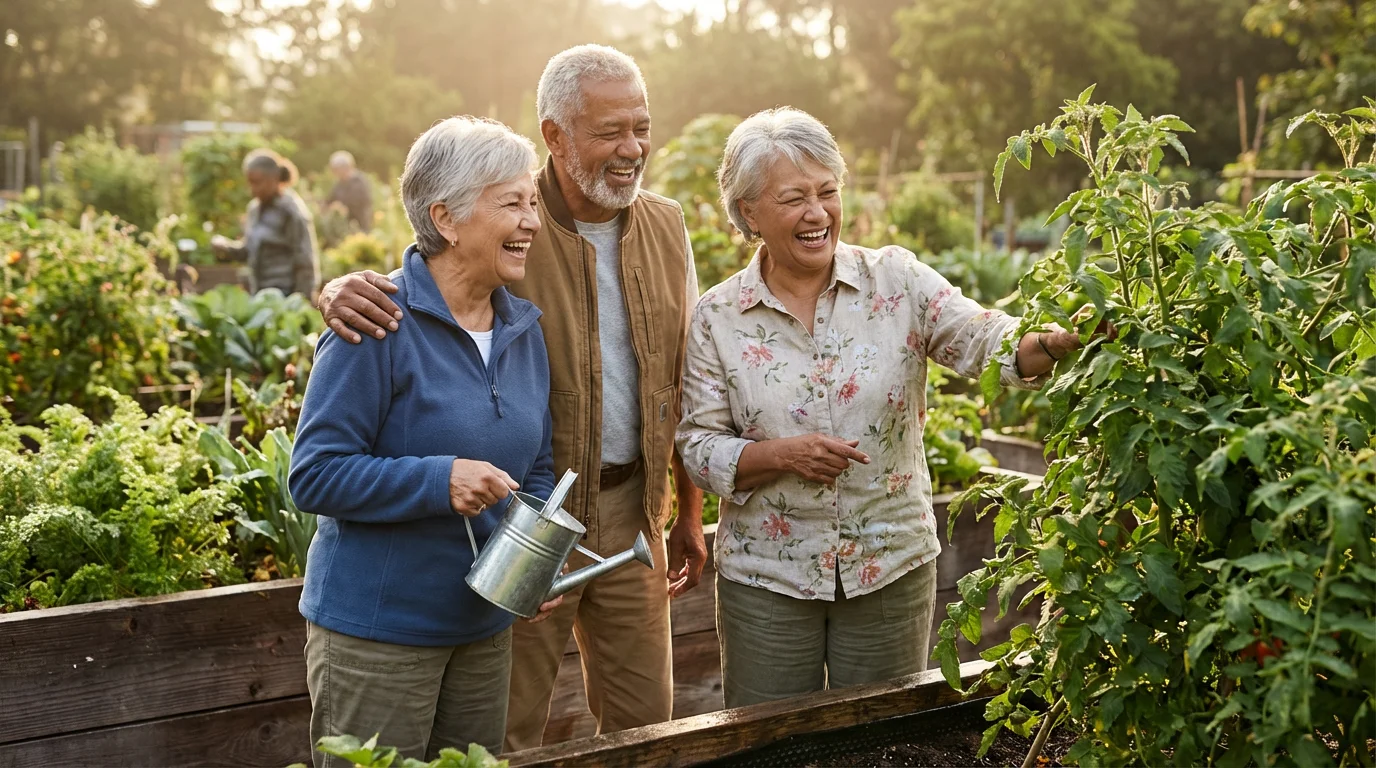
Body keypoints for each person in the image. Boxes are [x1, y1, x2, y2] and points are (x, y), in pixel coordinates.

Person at [314, 45, 707, 751]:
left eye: (641, 127)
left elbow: (680, 379)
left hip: (628, 514)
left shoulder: (663, 227)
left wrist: (689, 508)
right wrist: (336, 288)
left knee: (649, 732)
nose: (632, 148)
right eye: (609, 130)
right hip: (529, 522)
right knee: (506, 735)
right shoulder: (502, 222)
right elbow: (430, 266)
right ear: (554, 137)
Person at [676, 107, 1107, 708]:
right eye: (794, 197)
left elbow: (984, 338)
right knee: (768, 744)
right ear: (748, 211)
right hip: (768, 579)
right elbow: (697, 445)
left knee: (885, 740)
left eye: (828, 192)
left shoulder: (897, 282)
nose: (817, 213)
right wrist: (781, 456)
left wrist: (1052, 343)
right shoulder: (719, 317)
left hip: (888, 564)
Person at [288, 116, 561, 766]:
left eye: (532, 204)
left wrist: (532, 559)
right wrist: (440, 480)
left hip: (483, 632)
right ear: (447, 217)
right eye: (512, 204)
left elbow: (540, 466)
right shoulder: (376, 320)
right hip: (379, 633)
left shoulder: (521, 329)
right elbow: (315, 474)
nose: (532, 222)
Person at [211, 148, 320, 297]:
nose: (252, 189)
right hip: (260, 294)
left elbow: (305, 259)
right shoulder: (254, 209)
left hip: (286, 296)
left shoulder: (291, 211)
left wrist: (302, 300)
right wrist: (226, 247)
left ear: (274, 178)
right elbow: (249, 250)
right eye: (250, 183)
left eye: (257, 182)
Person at [325, 150, 374, 232]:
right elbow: (330, 199)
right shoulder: (339, 184)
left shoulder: (359, 181)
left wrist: (341, 206)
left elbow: (359, 202)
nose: (335, 173)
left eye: (336, 169)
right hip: (344, 227)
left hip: (359, 225)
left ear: (345, 167)